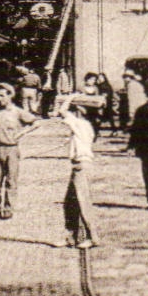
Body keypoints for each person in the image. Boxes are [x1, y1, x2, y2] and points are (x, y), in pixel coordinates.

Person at [0, 82, 38, 219]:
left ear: (10, 96)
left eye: (2, 96)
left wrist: (20, 134)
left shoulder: (17, 112)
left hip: (11, 149)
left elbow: (35, 123)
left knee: (11, 180)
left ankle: (8, 209)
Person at [55, 95, 98, 249]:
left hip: (82, 165)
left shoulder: (82, 124)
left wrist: (71, 97)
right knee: (70, 202)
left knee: (83, 202)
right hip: (77, 166)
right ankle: (71, 236)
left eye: (77, 109)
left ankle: (92, 237)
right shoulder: (82, 125)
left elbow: (62, 111)